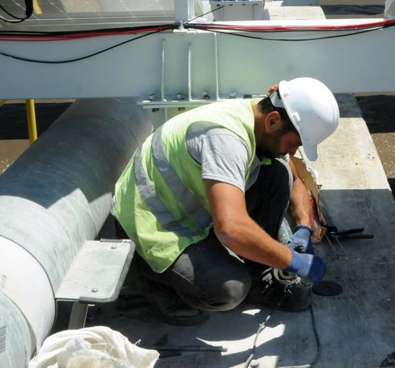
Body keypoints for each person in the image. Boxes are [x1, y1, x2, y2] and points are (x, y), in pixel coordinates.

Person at [113, 77, 340, 325]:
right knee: (229, 290)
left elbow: (295, 179)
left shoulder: (257, 121)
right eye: (293, 143)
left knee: (278, 174)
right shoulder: (225, 139)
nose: (292, 152)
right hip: (152, 224)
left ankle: (258, 273)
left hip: (186, 207)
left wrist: (304, 228)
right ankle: (148, 279)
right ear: (273, 120)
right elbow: (231, 230)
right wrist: (291, 260)